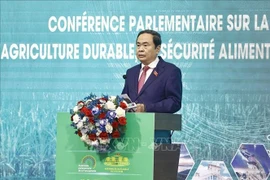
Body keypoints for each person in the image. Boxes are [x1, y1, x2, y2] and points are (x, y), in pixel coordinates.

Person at [121, 29, 182, 143]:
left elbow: (174, 102)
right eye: (138, 45)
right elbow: (124, 98)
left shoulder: (170, 71)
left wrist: (146, 108)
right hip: (130, 135)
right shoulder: (131, 72)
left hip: (156, 135)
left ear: (157, 48)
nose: (140, 49)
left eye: (145, 45)